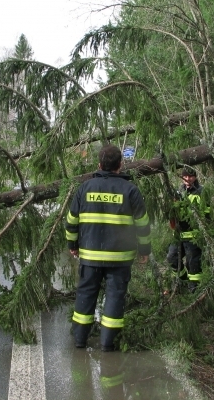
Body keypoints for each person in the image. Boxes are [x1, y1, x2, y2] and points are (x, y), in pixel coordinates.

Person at [65, 144, 151, 351]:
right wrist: (144, 251)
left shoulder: (84, 188)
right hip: (120, 257)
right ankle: (107, 343)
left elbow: (71, 221)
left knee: (86, 295)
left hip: (90, 255)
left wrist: (73, 245)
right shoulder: (130, 190)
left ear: (99, 165)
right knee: (114, 296)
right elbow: (142, 224)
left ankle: (80, 340)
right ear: (120, 165)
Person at [166, 167, 210, 293]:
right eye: (184, 176)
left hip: (194, 235)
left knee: (193, 263)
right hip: (179, 235)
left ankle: (195, 289)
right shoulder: (178, 192)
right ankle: (183, 280)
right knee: (171, 257)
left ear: (195, 177)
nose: (187, 179)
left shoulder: (201, 192)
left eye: (190, 176)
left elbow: (206, 213)